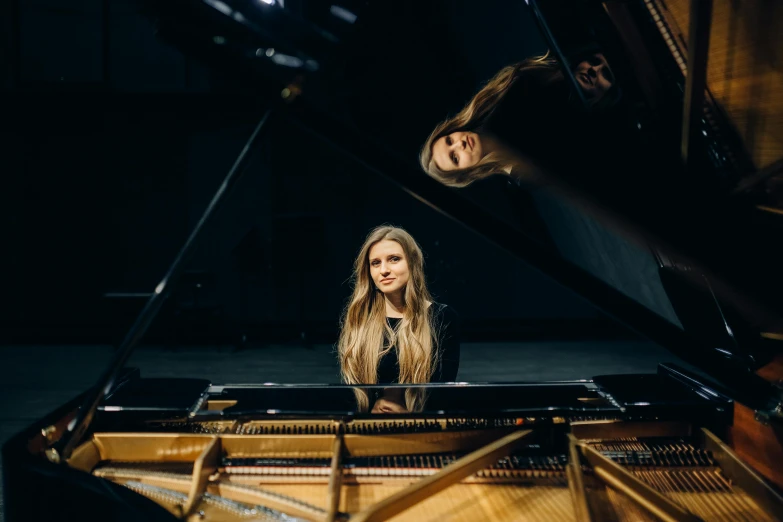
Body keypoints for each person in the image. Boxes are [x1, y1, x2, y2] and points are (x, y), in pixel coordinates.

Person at [419, 51, 621, 188]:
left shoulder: (494, 98)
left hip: (598, 64)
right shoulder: (522, 174)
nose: (459, 144)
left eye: (449, 140)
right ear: (465, 173)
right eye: (455, 158)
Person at [338, 225, 460, 413]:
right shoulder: (360, 318)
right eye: (375, 263)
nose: (384, 270)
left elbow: (442, 391)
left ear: (412, 263)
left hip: (422, 428)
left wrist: (405, 409)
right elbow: (350, 392)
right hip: (368, 426)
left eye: (394, 259)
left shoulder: (441, 317)